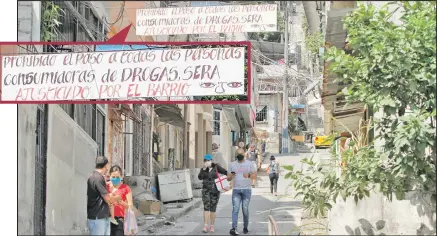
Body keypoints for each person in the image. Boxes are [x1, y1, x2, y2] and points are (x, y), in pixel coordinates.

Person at [87, 156, 122, 236]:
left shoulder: (95, 177)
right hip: (98, 218)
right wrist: (117, 197)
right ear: (105, 165)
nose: (107, 169)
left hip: (102, 217)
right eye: (106, 166)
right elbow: (108, 199)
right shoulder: (97, 178)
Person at [227, 149, 257, 235]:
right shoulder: (232, 164)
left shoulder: (249, 164)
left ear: (244, 154)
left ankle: (245, 227)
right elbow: (228, 178)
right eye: (238, 154)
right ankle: (234, 228)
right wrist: (231, 176)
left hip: (246, 190)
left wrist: (249, 175)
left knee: (245, 209)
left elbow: (255, 176)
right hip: (236, 190)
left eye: (241, 153)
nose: (239, 155)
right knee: (235, 209)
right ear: (236, 154)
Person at [198, 154, 229, 233]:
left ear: (211, 161)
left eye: (208, 160)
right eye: (205, 161)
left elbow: (225, 172)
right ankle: (205, 226)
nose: (207, 162)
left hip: (215, 190)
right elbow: (200, 177)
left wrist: (229, 178)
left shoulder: (216, 167)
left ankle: (212, 226)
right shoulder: (203, 169)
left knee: (213, 208)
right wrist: (204, 169)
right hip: (206, 190)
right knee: (206, 207)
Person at [107, 165, 134, 236]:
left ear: (121, 176)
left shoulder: (125, 188)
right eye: (113, 177)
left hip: (119, 220)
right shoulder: (106, 187)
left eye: (117, 177)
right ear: (109, 175)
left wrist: (122, 203)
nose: (115, 179)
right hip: (106, 219)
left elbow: (130, 206)